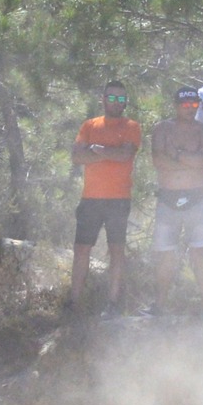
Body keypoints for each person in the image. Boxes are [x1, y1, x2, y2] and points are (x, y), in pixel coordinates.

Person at [69, 81, 142, 313]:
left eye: (121, 99)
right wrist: (109, 153)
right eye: (112, 98)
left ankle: (112, 302)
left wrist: (98, 151)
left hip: (119, 200)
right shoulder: (89, 125)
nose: (116, 103)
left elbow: (125, 155)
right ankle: (74, 301)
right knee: (81, 249)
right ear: (103, 98)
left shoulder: (132, 126)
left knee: (116, 250)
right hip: (90, 198)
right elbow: (77, 157)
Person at [144, 86, 203, 312]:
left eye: (194, 104)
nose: (189, 108)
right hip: (168, 199)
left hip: (197, 198)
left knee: (200, 254)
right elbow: (158, 161)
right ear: (176, 106)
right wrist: (190, 161)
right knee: (166, 255)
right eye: (185, 105)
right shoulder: (162, 129)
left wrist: (175, 154)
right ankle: (160, 305)